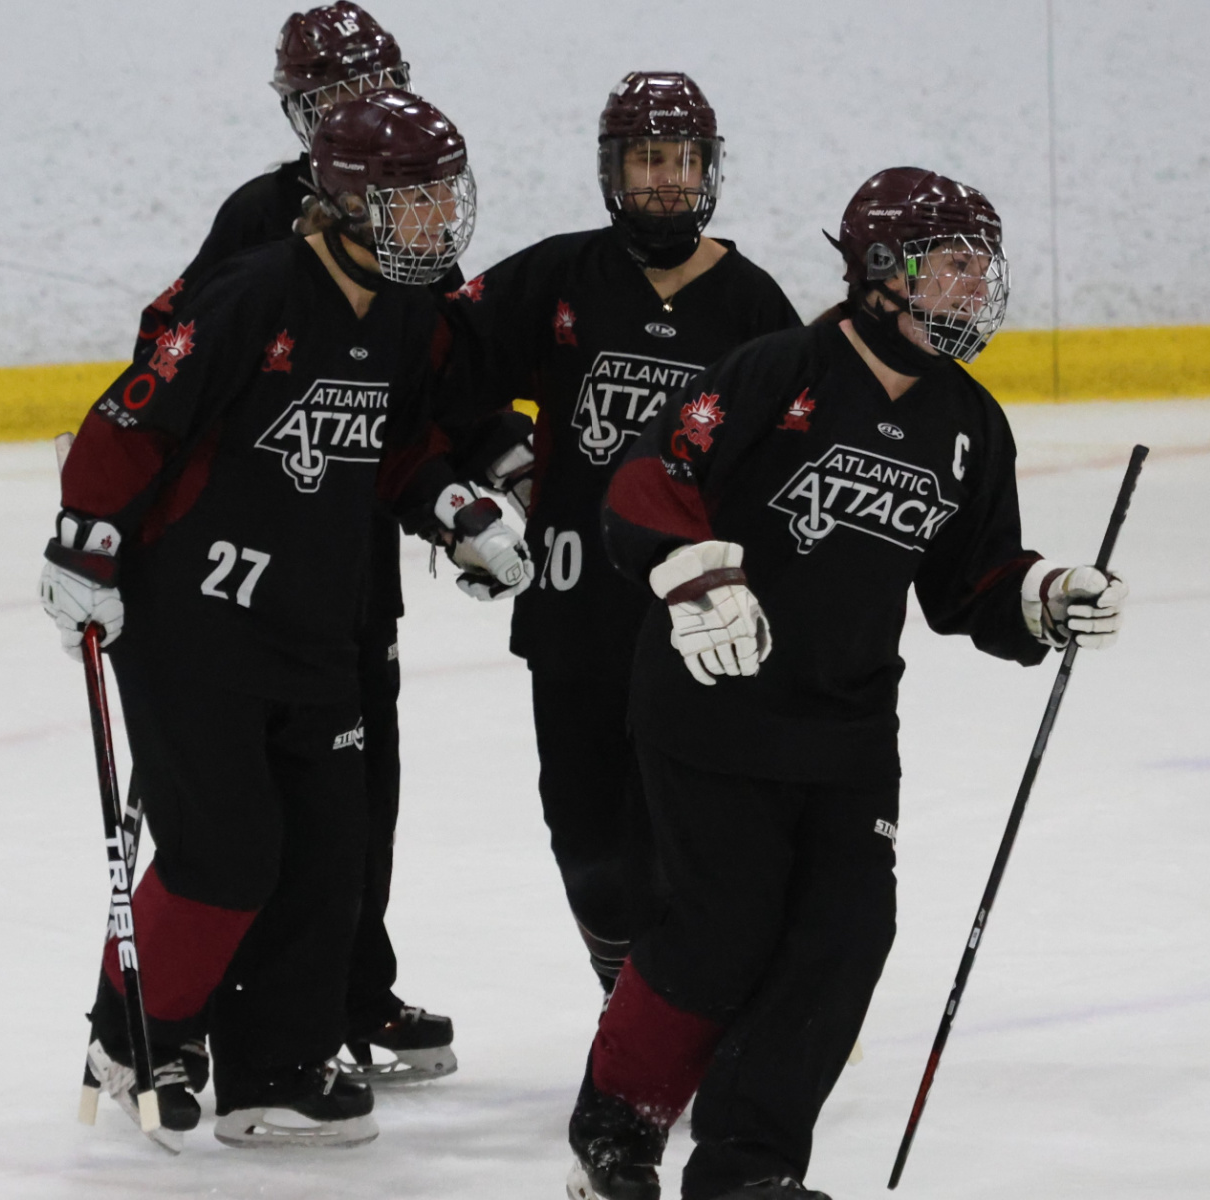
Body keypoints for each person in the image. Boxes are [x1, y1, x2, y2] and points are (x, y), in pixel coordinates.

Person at [564, 167, 1130, 1200]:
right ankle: (615, 1134)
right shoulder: (778, 369)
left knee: (843, 938)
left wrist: (1043, 596)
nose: (970, 289)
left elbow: (970, 582)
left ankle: (746, 1169)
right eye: (949, 266)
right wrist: (699, 577)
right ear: (880, 274)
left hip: (849, 726)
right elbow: (652, 478)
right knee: (718, 930)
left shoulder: (969, 424)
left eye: (978, 269)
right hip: (711, 704)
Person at [39, 90, 511, 1149]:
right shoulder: (253, 294)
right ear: (346, 197)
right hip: (194, 621)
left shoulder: (402, 309)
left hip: (317, 624)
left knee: (322, 859)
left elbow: (391, 448)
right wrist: (82, 545)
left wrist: (454, 510)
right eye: (413, 199)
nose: (438, 220)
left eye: (444, 196)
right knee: (228, 854)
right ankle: (137, 1034)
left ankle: (278, 1066)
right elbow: (129, 421)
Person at [134, 3, 462, 1086]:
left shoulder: (415, 213)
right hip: (247, 565)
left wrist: (471, 487)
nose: (357, 111)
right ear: (300, 115)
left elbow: (427, 391)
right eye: (330, 97)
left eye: (371, 85)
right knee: (237, 818)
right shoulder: (262, 222)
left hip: (351, 563)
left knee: (352, 812)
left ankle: (343, 999)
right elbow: (171, 359)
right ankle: (185, 1026)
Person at [443, 71, 800, 993]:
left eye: (681, 161)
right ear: (612, 172)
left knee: (685, 829)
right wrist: (489, 466)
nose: (665, 183)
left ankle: (682, 999)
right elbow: (437, 366)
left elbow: (793, 462)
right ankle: (631, 992)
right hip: (572, 611)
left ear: (710, 170)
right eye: (645, 161)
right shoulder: (558, 275)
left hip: (689, 620)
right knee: (584, 830)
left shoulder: (754, 306)